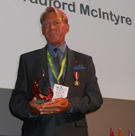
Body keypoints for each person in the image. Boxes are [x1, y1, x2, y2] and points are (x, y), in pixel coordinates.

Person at [10, 7, 103, 136]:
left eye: (56, 23)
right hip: (38, 131)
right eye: (46, 24)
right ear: (42, 30)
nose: (52, 28)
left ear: (67, 27)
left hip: (73, 131)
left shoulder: (84, 61)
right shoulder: (28, 60)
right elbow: (16, 101)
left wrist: (70, 105)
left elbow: (95, 98)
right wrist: (31, 109)